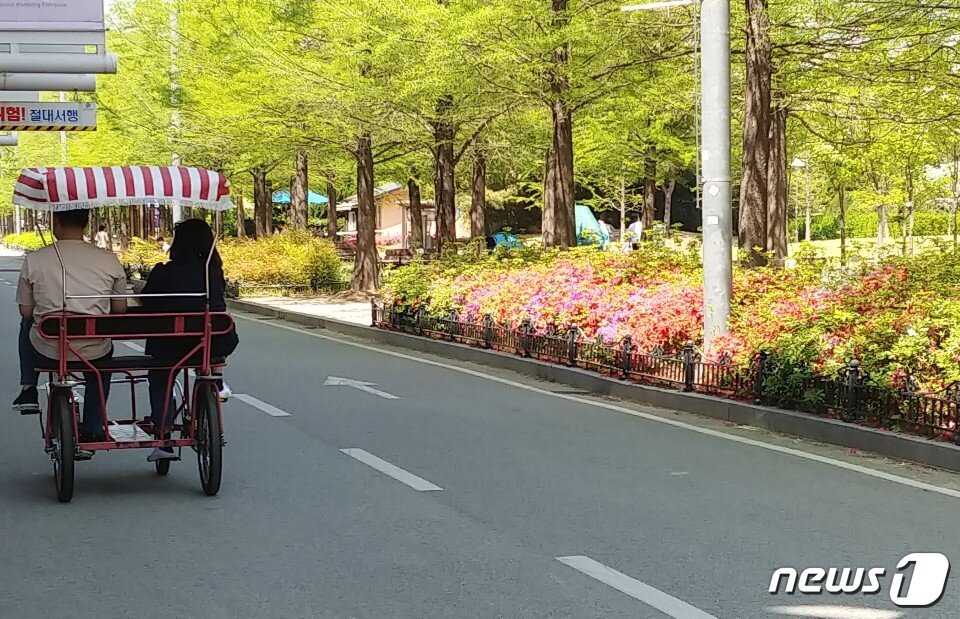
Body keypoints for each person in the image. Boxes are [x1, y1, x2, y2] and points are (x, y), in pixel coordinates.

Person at [14, 210, 127, 443]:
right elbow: (119, 309)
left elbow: (26, 310)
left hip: (49, 347)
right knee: (101, 369)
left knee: (27, 323)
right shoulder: (108, 259)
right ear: (86, 223)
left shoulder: (35, 259)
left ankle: (28, 388)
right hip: (94, 349)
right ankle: (94, 426)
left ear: (55, 221)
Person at [139, 219, 239, 462]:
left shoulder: (163, 272)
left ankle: (163, 435)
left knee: (160, 376)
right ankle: (216, 380)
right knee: (212, 335)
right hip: (210, 342)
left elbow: (147, 302)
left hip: (169, 345)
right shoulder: (213, 272)